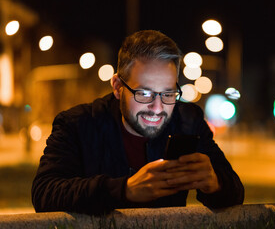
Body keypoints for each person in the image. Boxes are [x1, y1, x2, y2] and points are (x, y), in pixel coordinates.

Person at [31, 30, 244, 215]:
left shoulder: (187, 120)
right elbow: (44, 192)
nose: (158, 107)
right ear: (117, 87)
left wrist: (215, 184)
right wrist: (124, 190)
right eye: (144, 93)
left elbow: (235, 192)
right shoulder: (77, 124)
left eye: (168, 94)